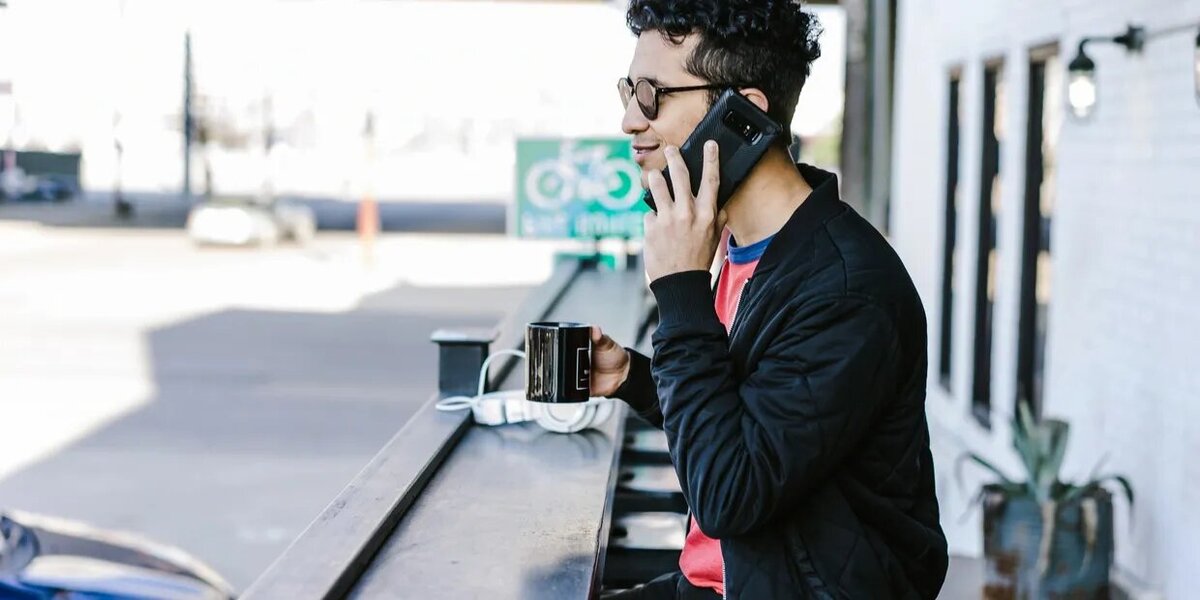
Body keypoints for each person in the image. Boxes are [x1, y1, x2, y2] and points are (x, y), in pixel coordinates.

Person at [591, 1, 949, 598]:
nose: (630, 120)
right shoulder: (744, 246)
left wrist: (681, 294)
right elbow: (748, 417)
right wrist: (633, 376)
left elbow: (730, 493)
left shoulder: (845, 292)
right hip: (731, 577)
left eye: (652, 94)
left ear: (743, 116)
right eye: (628, 89)